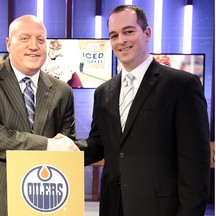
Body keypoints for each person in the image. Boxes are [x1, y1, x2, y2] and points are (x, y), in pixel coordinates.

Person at [76, 5, 210, 216]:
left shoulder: (182, 85)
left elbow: (195, 167)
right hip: (113, 207)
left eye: (128, 31)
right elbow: (99, 145)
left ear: (147, 33)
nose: (121, 40)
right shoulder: (103, 92)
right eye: (114, 35)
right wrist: (58, 149)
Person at [0, 15, 79, 216]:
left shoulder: (62, 91)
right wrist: (47, 145)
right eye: (24, 38)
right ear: (9, 44)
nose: (34, 46)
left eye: (40, 39)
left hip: (41, 200)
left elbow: (66, 145)